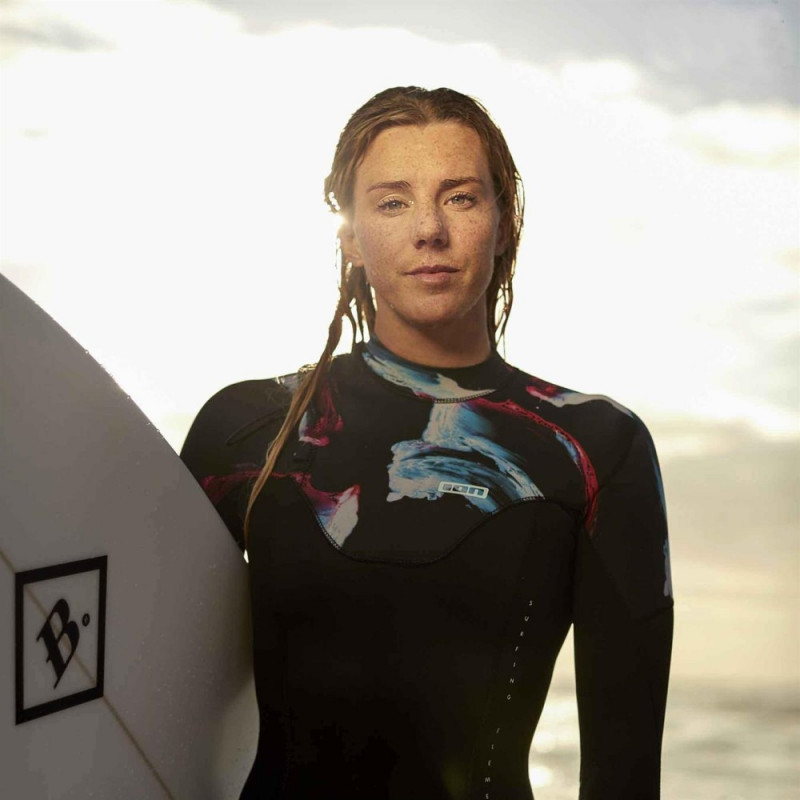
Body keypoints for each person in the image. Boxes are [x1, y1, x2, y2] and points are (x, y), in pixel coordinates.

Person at [180, 86, 673, 799]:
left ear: (503, 224)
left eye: (461, 198)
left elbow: (623, 774)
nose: (429, 231)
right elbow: (147, 694)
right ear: (351, 236)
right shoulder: (248, 430)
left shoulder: (594, 447)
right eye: (392, 202)